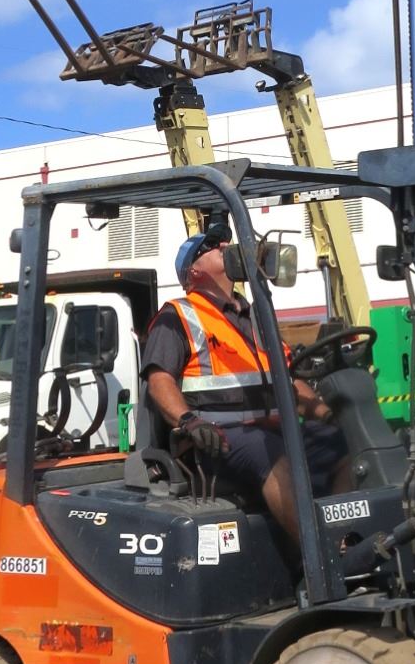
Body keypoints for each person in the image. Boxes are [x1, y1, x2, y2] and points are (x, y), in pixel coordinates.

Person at [142, 221, 350, 545]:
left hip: (270, 429)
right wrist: (189, 421)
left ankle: (344, 540)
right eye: (211, 246)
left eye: (225, 242)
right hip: (214, 438)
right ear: (193, 271)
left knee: (343, 445)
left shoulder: (257, 317)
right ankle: (320, 555)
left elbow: (289, 378)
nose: (224, 245)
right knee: (270, 453)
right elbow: (159, 381)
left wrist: (327, 414)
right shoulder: (178, 315)